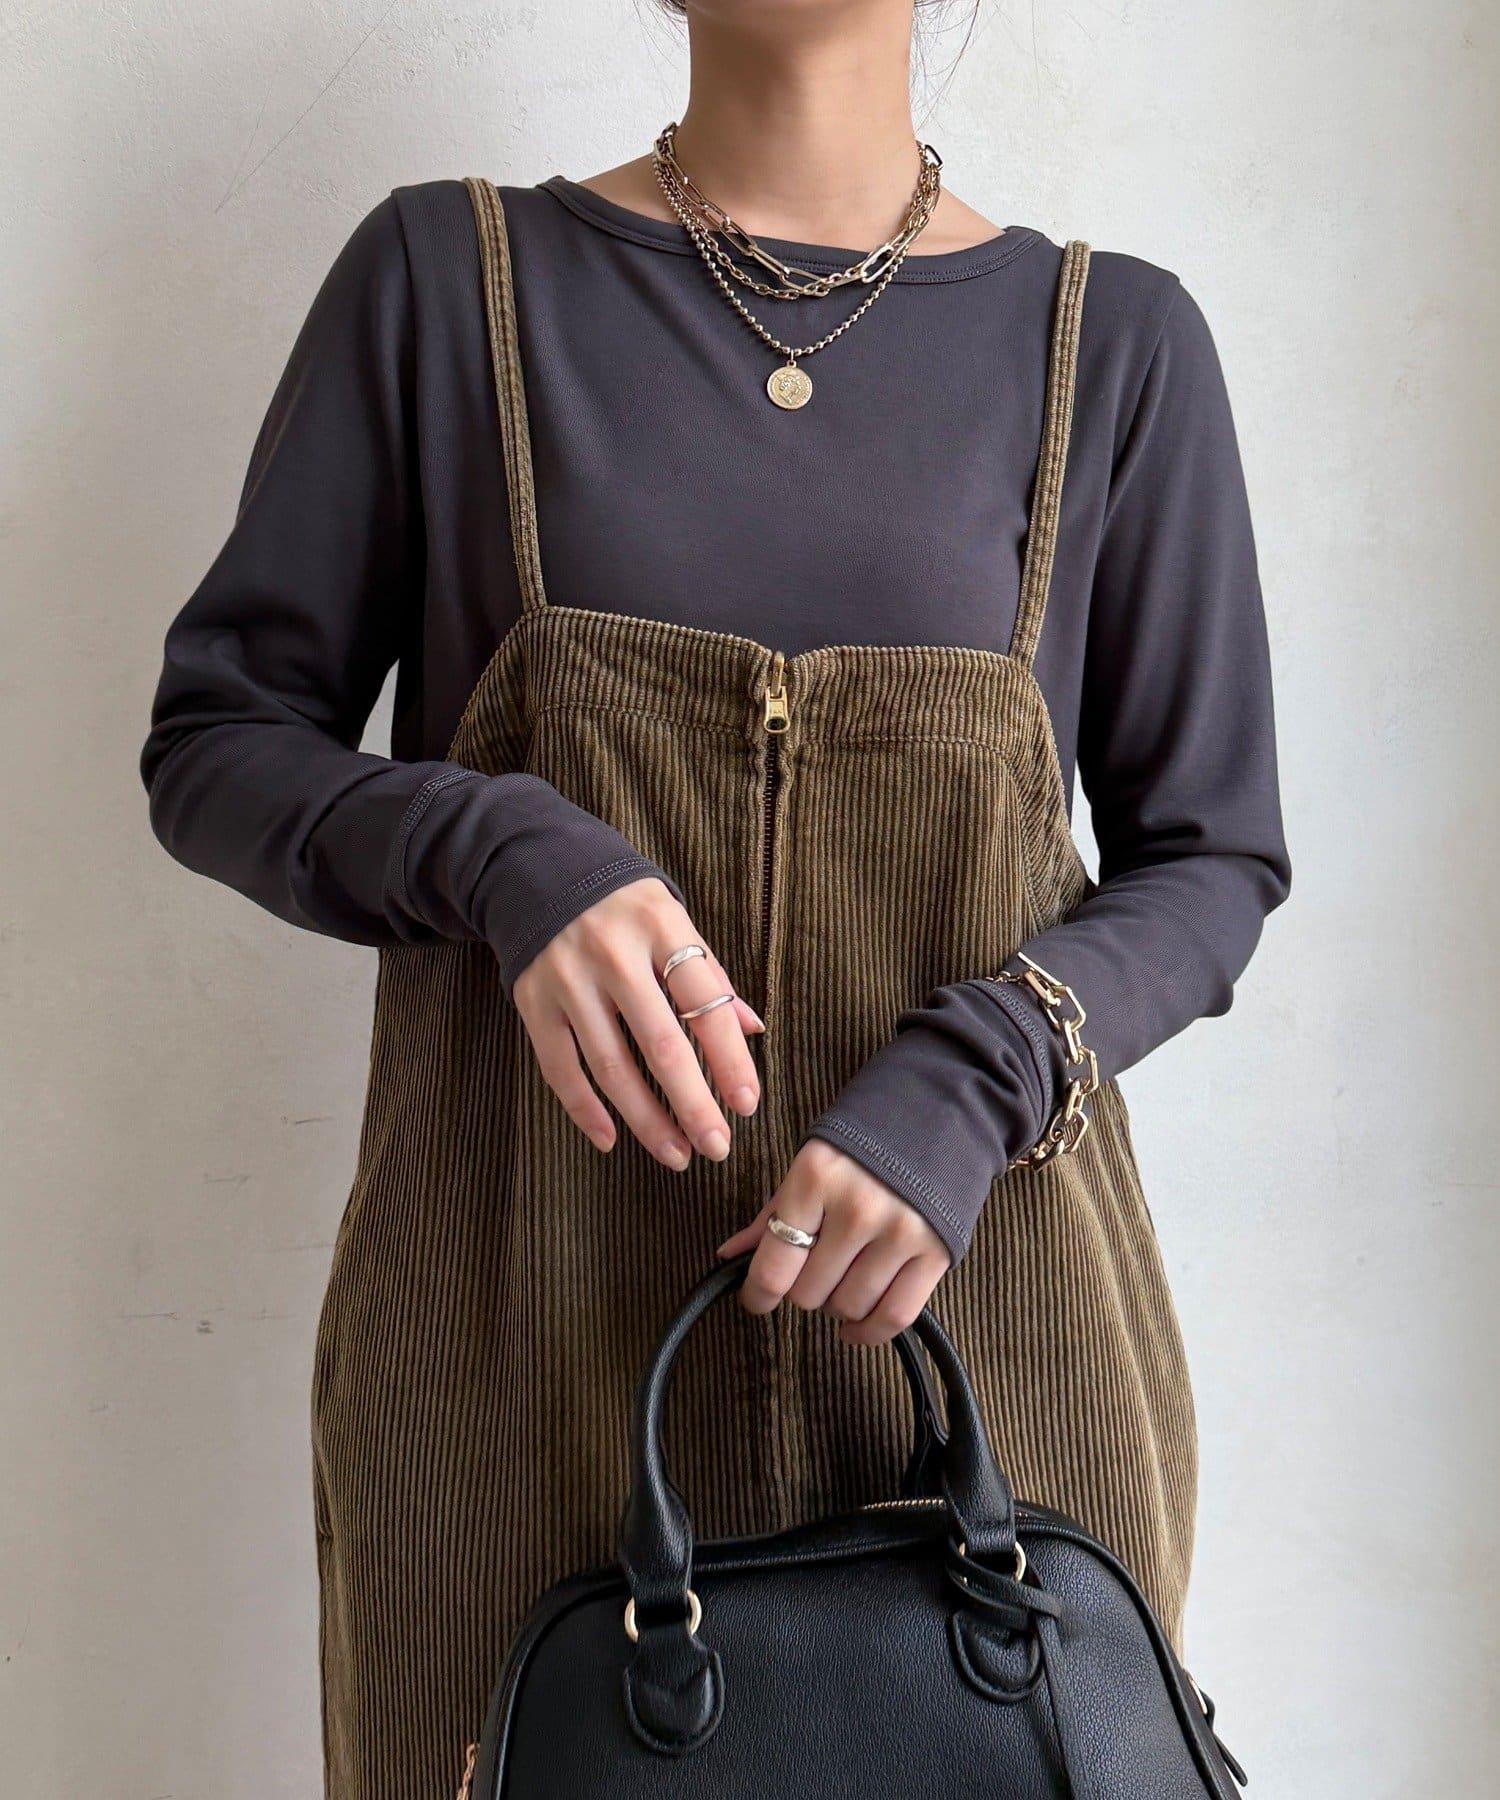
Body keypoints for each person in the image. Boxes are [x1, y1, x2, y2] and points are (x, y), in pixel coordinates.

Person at [141, 1, 1290, 1791]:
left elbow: (1213, 856)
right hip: (513, 1367)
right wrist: (501, 849)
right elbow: (219, 743)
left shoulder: (1119, 344)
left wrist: (984, 1070)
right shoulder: (445, 286)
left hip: (1000, 1360)